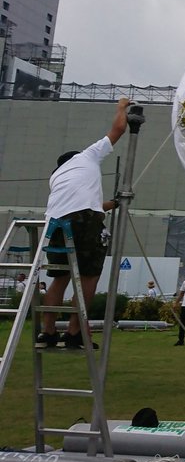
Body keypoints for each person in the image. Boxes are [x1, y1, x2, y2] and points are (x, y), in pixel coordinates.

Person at [39, 98, 129, 350]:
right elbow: (118, 130)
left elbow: (87, 205)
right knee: (88, 277)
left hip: (56, 223)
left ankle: (47, 332)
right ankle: (74, 332)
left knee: (60, 277)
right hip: (85, 221)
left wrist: (114, 203)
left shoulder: (57, 177)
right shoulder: (87, 156)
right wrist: (121, 107)